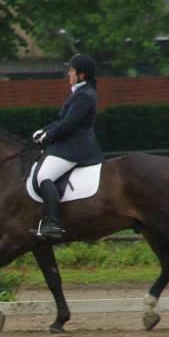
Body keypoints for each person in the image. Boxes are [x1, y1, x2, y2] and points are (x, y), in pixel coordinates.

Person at [32, 53, 103, 240]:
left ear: (82, 75)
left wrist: (48, 136)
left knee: (43, 176)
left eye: (71, 71)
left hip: (75, 148)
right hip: (69, 146)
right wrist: (44, 130)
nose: (68, 75)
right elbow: (62, 121)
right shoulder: (80, 93)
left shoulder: (84, 96)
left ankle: (53, 223)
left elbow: (69, 125)